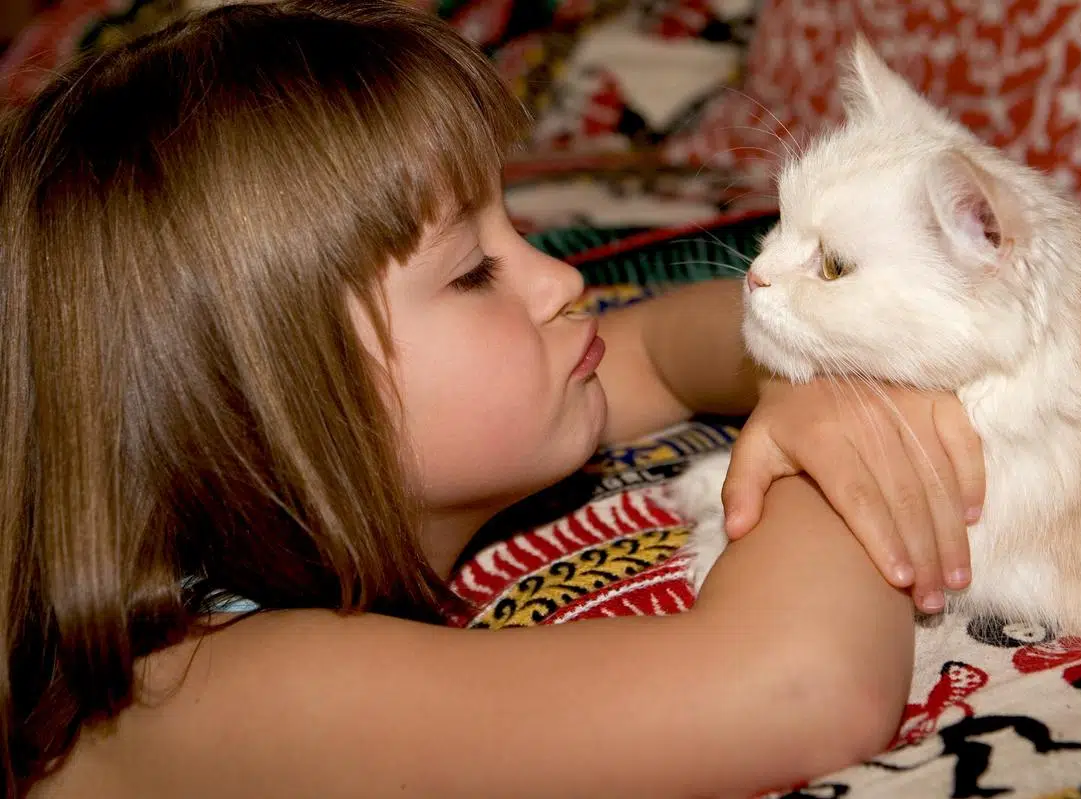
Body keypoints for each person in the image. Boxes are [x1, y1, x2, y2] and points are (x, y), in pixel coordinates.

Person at [0, 2, 985, 797]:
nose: (559, 282)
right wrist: (836, 434)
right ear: (263, 409)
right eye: (475, 271)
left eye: (515, 226)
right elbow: (795, 688)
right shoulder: (193, 697)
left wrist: (798, 367)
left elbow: (664, 350)